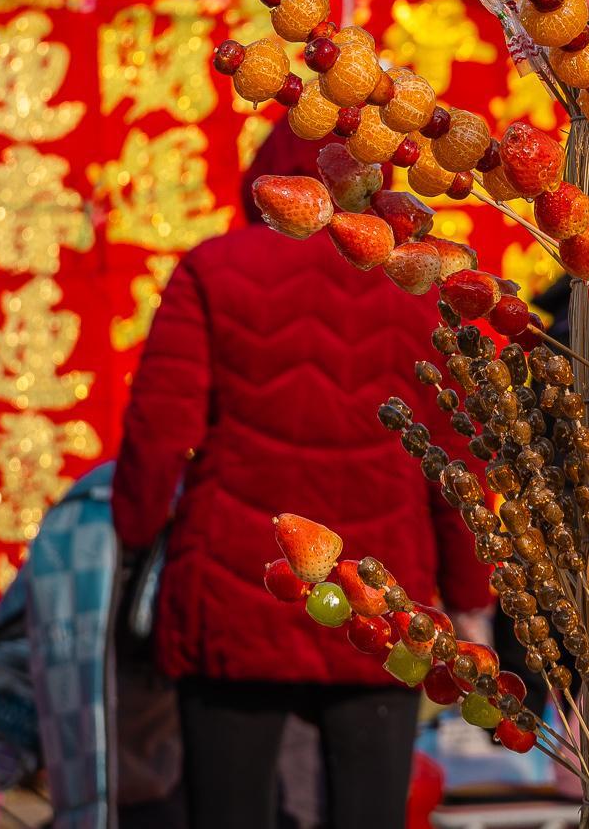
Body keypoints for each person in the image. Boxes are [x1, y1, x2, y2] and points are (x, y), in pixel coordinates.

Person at [113, 127, 494, 829]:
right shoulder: (414, 286)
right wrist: (472, 598)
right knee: (372, 811)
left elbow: (158, 433)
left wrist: (134, 541)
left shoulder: (212, 269)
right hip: (382, 598)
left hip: (234, 591)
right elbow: (457, 464)